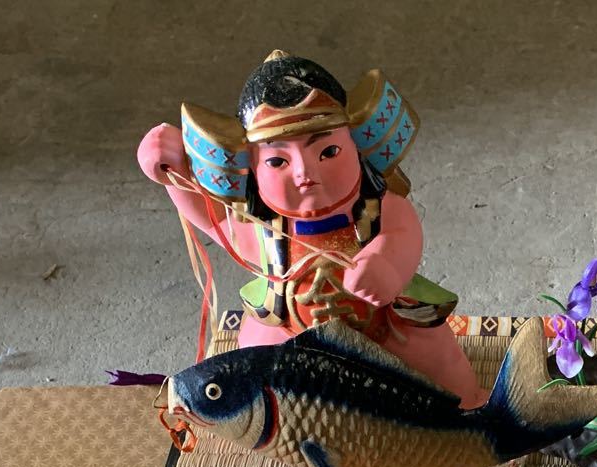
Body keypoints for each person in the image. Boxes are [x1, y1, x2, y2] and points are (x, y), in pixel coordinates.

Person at [137, 51, 484, 408]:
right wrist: (173, 176)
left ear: (356, 145)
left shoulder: (378, 207)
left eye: (328, 151)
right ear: (252, 167)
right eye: (277, 161)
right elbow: (215, 219)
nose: (305, 173)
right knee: (252, 361)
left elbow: (402, 235)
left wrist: (388, 265)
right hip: (290, 329)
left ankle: (469, 415)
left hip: (384, 326)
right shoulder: (264, 227)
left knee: (438, 357)